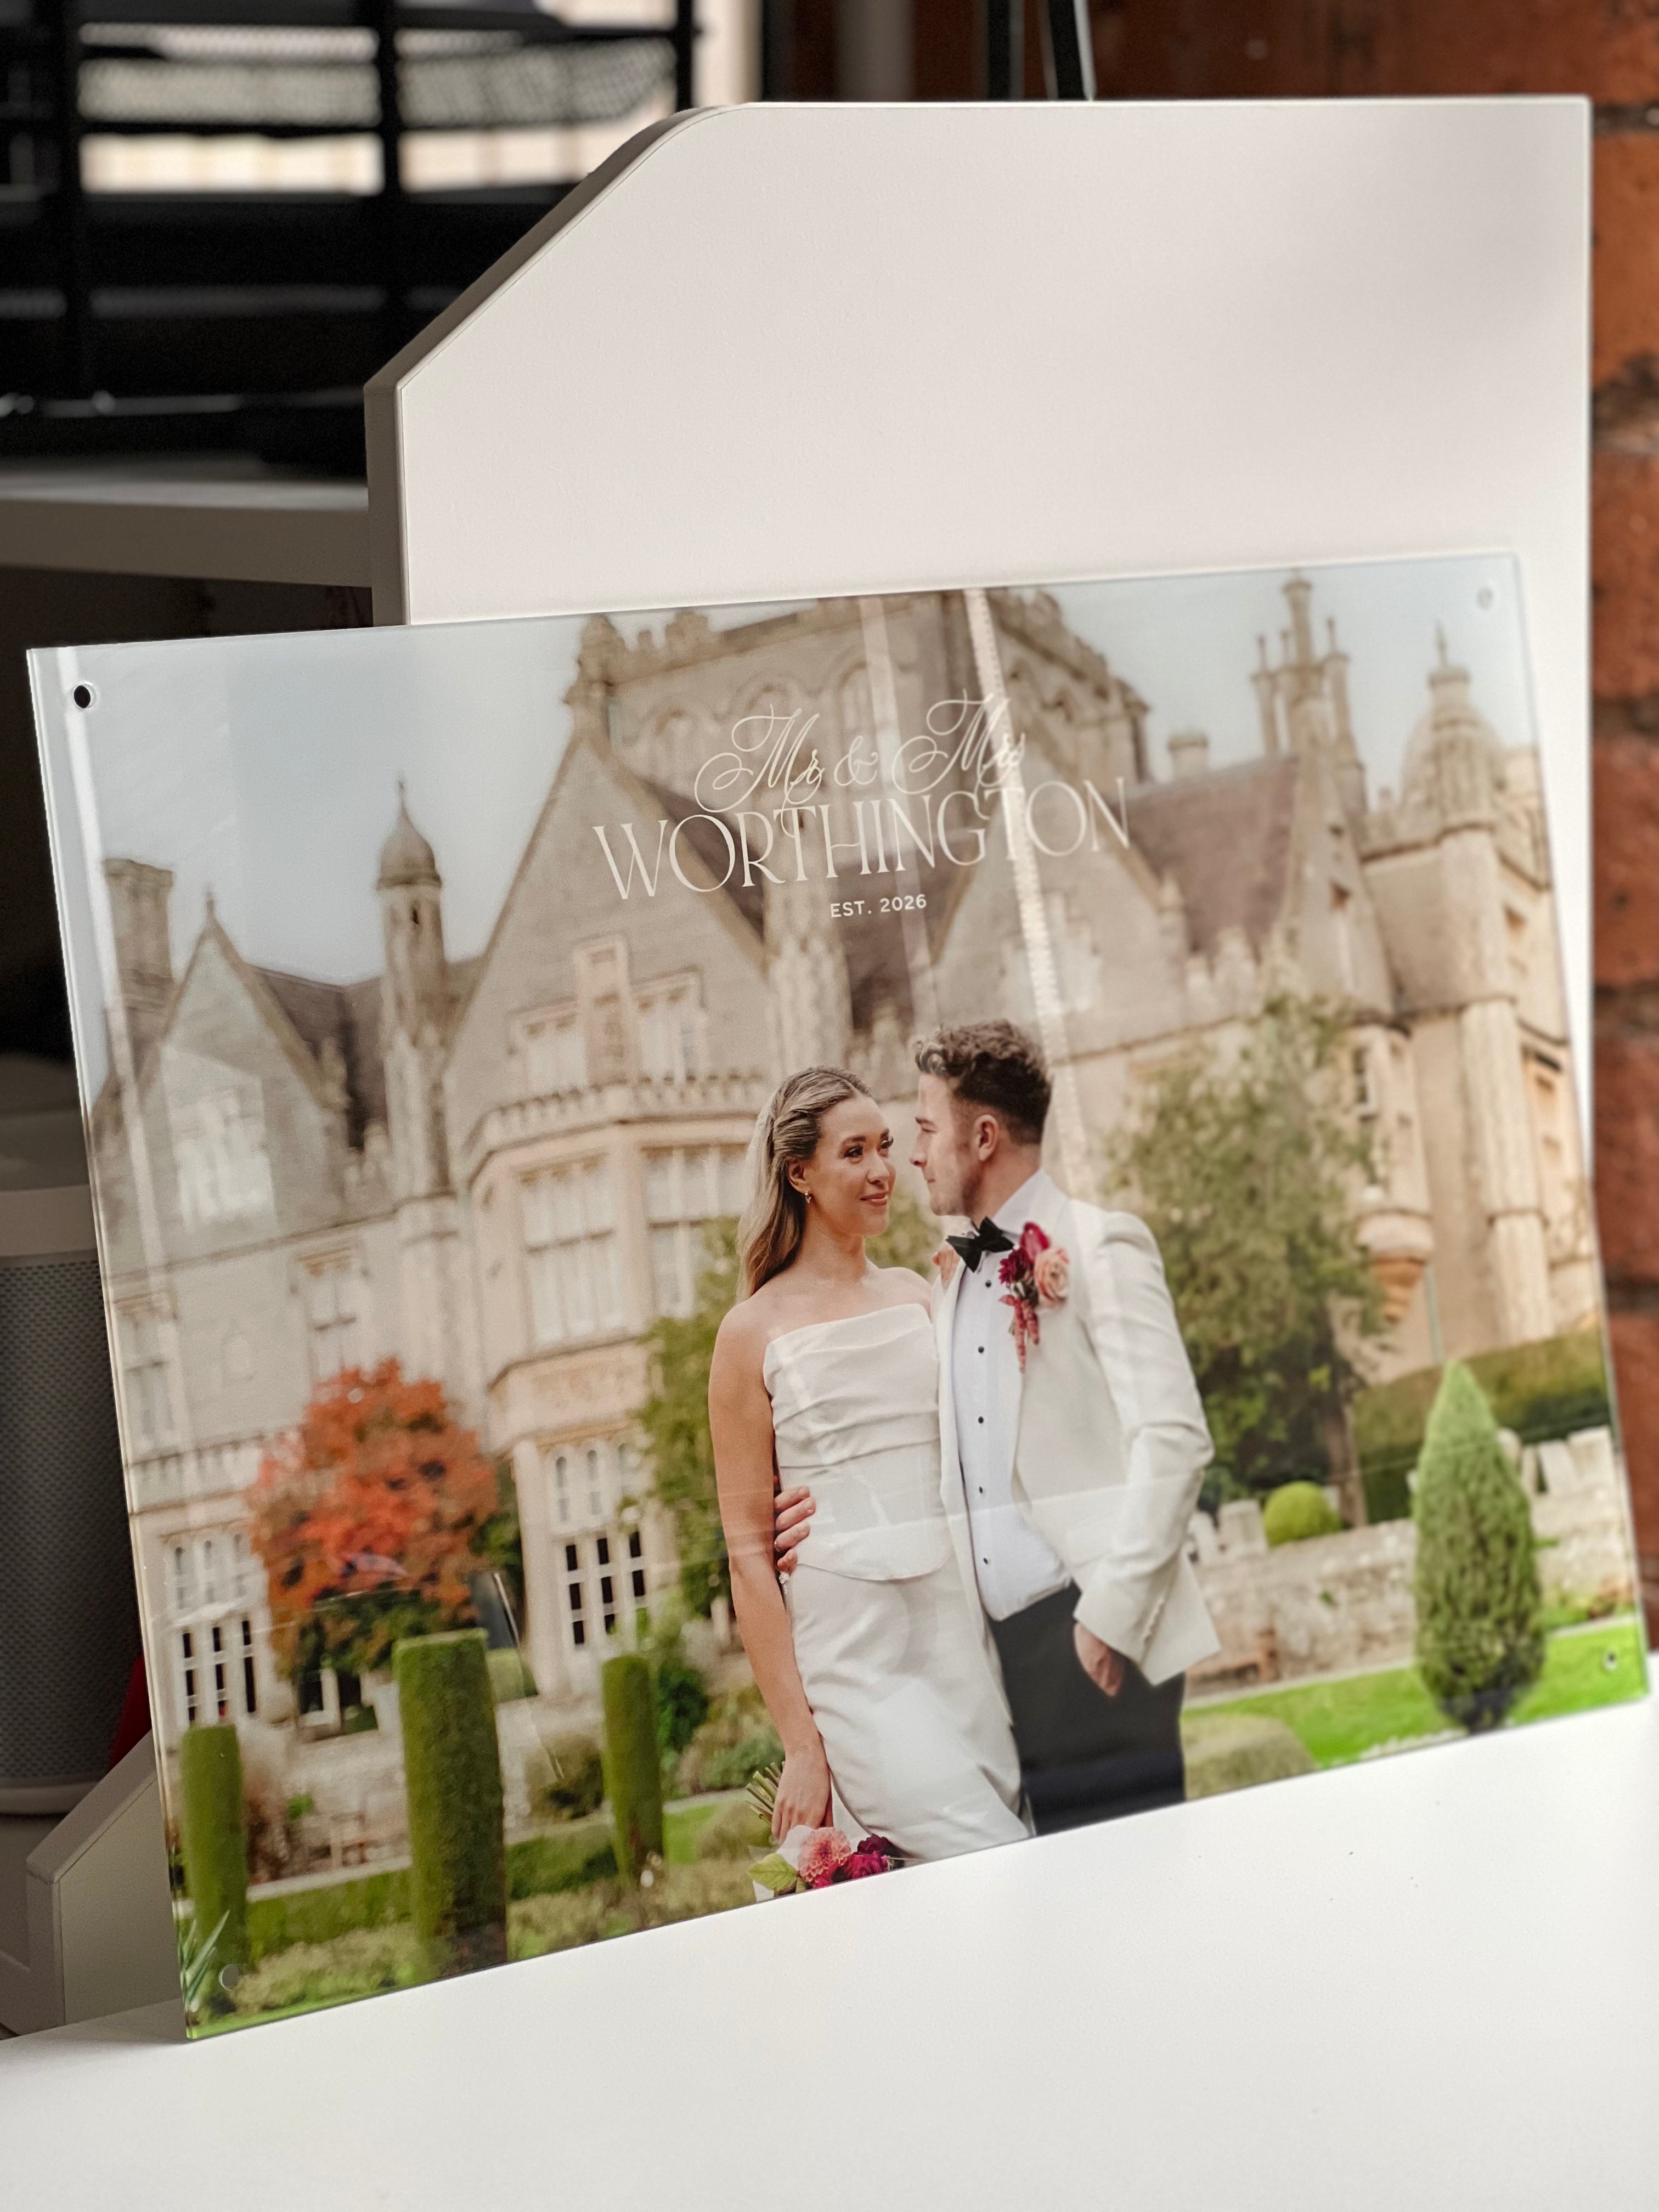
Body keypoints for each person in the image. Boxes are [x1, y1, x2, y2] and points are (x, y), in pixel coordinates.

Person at [776, 1020, 1218, 1832]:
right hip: (997, 1669)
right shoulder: (951, 1277)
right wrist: (809, 1510)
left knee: (1144, 1915)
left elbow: (1176, 1440)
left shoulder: (1100, 1246)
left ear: (982, 1138)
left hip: (1095, 1641)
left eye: (924, 1131)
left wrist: (1108, 1619)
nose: (912, 1156)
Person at [708, 1065, 1028, 1860]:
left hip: (960, 1633)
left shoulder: (923, 1297)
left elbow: (994, 1451)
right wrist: (802, 1743)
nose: (884, 1170)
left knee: (996, 1857)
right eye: (855, 1152)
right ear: (800, 1174)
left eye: (887, 1146)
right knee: (988, 1858)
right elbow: (749, 1557)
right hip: (854, 1647)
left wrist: (984, 1292)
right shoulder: (748, 1334)